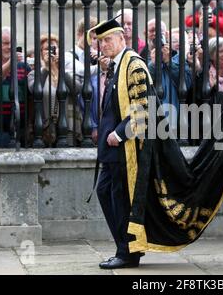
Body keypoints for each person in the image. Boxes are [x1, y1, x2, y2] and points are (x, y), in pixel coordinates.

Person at [90, 16, 151, 269]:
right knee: (106, 193)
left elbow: (144, 109)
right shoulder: (116, 65)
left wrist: (119, 133)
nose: (104, 45)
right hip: (112, 150)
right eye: (101, 41)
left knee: (120, 199)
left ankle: (127, 253)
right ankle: (125, 248)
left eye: (108, 39)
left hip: (124, 148)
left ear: (122, 39)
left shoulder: (133, 65)